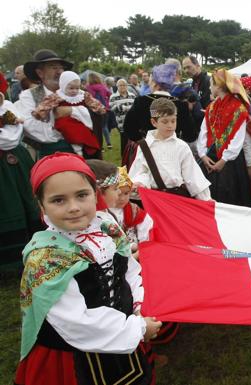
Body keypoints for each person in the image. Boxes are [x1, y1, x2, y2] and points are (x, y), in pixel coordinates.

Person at [14, 152, 160, 385]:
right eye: (58, 200)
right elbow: (75, 322)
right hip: (74, 354)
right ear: (42, 205)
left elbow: (129, 272)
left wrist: (138, 305)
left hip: (122, 335)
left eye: (82, 195)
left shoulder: (107, 228)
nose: (73, 207)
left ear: (95, 195)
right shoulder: (46, 258)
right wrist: (138, 328)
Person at [131, 98, 212, 200]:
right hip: (155, 200)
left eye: (173, 121)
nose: (170, 126)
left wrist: (206, 199)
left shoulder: (181, 146)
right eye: (165, 122)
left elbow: (193, 176)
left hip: (178, 199)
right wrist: (140, 183)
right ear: (154, 122)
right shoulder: (145, 146)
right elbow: (141, 172)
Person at [123, 63, 197, 167]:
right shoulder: (181, 105)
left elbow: (128, 129)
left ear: (154, 83)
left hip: (146, 154)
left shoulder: (140, 102)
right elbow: (191, 136)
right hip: (173, 154)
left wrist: (143, 142)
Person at [197, 69, 251, 206]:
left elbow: (238, 139)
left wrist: (224, 159)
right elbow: (204, 131)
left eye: (211, 84)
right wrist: (203, 155)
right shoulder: (211, 107)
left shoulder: (239, 108)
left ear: (219, 86)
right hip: (211, 157)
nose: (209, 87)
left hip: (230, 163)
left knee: (229, 198)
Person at [0, 91, 42, 261]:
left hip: (17, 159)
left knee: (27, 196)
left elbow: (14, 134)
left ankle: (37, 246)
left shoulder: (8, 108)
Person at [16, 49, 77, 157]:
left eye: (61, 68)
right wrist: (62, 135)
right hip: (47, 154)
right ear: (40, 73)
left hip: (80, 150)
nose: (59, 72)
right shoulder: (28, 95)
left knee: (111, 173)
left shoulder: (76, 92)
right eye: (54, 67)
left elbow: (94, 116)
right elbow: (30, 126)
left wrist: (73, 110)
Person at [53, 71, 102, 157]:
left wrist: (97, 108)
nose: (74, 91)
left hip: (81, 121)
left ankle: (86, 149)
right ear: (63, 85)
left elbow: (98, 107)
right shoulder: (58, 96)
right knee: (68, 128)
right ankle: (78, 150)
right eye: (71, 88)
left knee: (85, 134)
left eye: (77, 88)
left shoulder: (83, 95)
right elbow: (48, 108)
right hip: (65, 122)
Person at [110, 166, 153, 247]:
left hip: (137, 250)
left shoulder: (135, 210)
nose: (122, 198)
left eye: (126, 193)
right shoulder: (102, 213)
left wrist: (143, 246)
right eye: (119, 194)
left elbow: (146, 229)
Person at [110, 78, 137, 159]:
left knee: (133, 140)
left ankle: (133, 156)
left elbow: (135, 107)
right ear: (117, 86)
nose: (122, 87)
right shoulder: (113, 97)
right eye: (120, 85)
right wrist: (127, 108)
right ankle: (124, 157)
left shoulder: (132, 95)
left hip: (132, 122)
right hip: (121, 123)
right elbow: (113, 108)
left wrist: (123, 107)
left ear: (127, 86)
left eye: (124, 85)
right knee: (124, 140)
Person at [86, 73, 112, 150]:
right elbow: (110, 94)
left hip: (93, 109)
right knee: (105, 127)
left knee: (96, 128)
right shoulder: (103, 86)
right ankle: (109, 143)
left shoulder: (88, 87)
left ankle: (100, 146)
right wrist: (106, 100)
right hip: (104, 108)